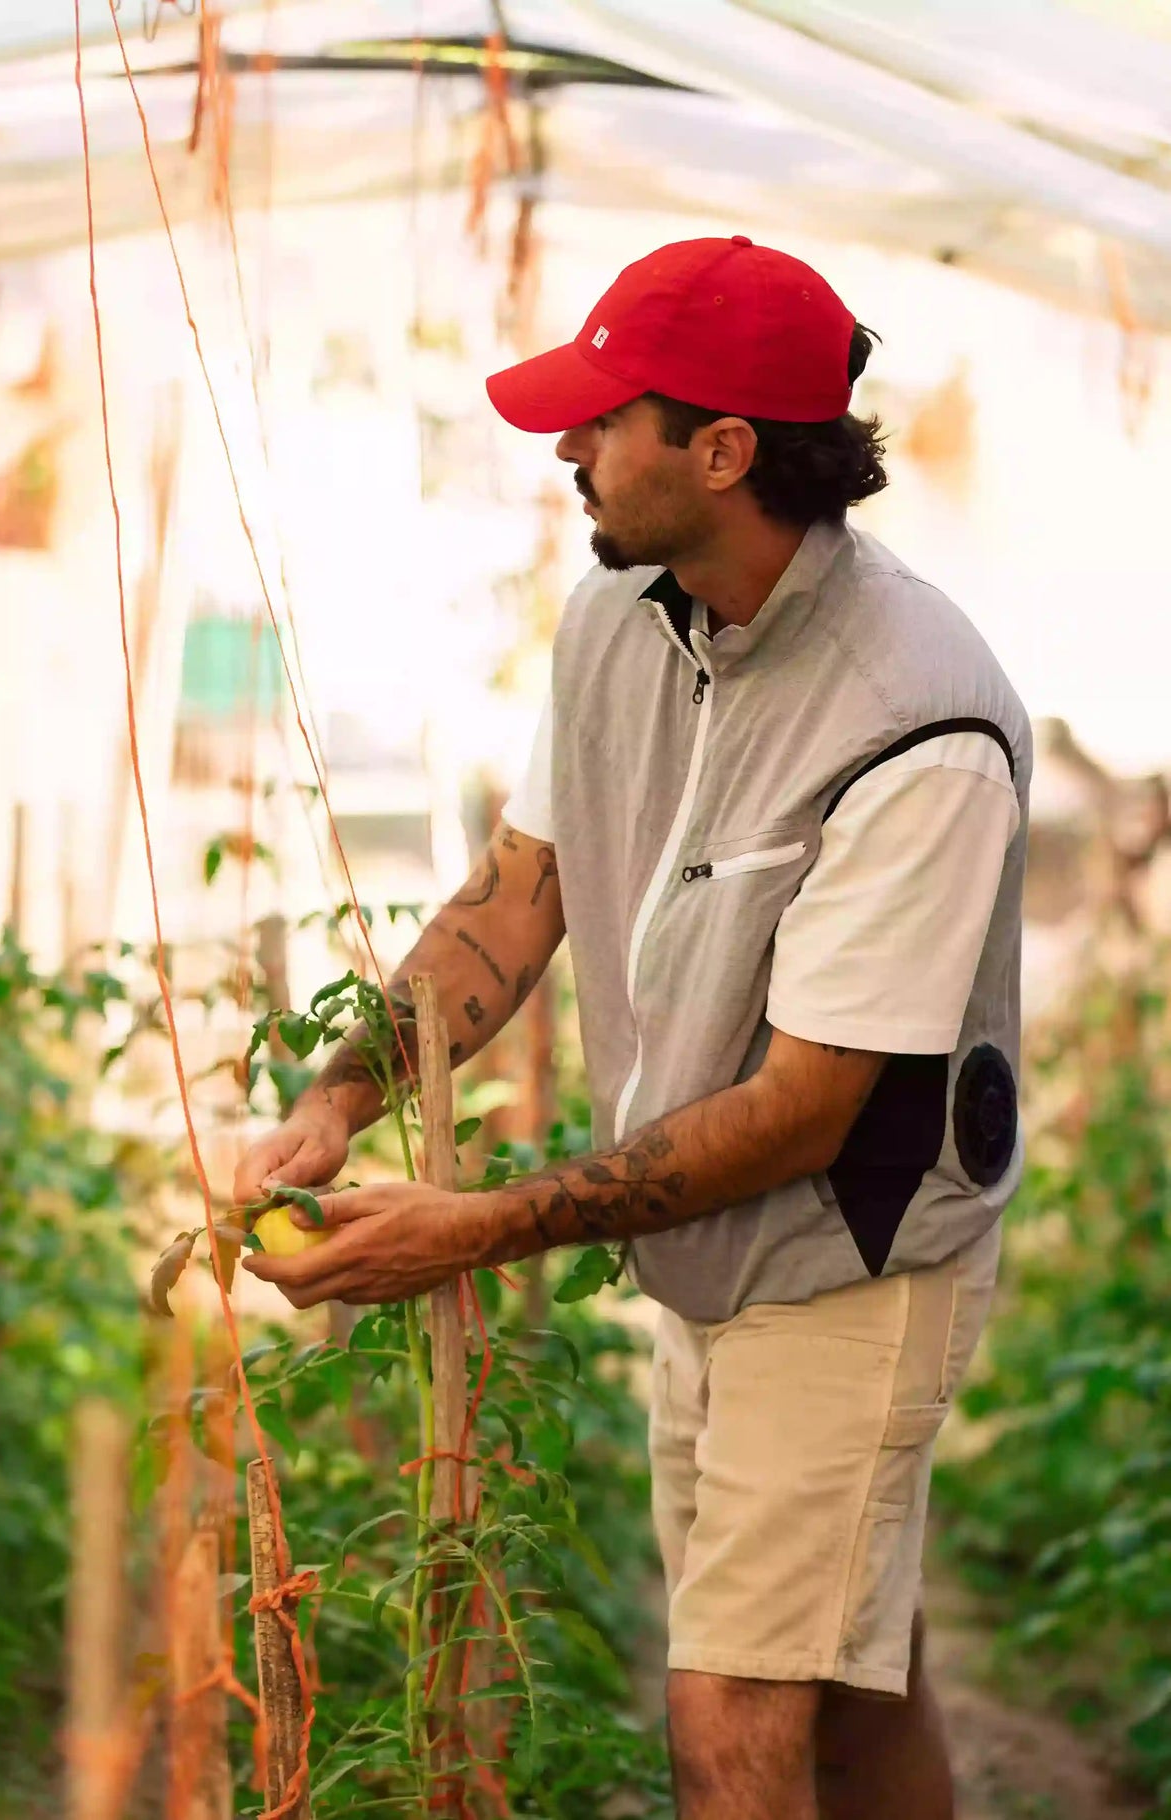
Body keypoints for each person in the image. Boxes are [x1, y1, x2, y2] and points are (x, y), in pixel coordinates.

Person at [238, 236, 1030, 1819]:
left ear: (723, 452)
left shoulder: (920, 721)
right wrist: (344, 1093)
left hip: (849, 1256)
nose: (565, 451)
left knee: (731, 1707)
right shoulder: (623, 616)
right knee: (849, 1676)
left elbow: (807, 1109)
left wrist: (463, 1232)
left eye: (603, 421)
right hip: (716, 1253)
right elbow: (511, 900)